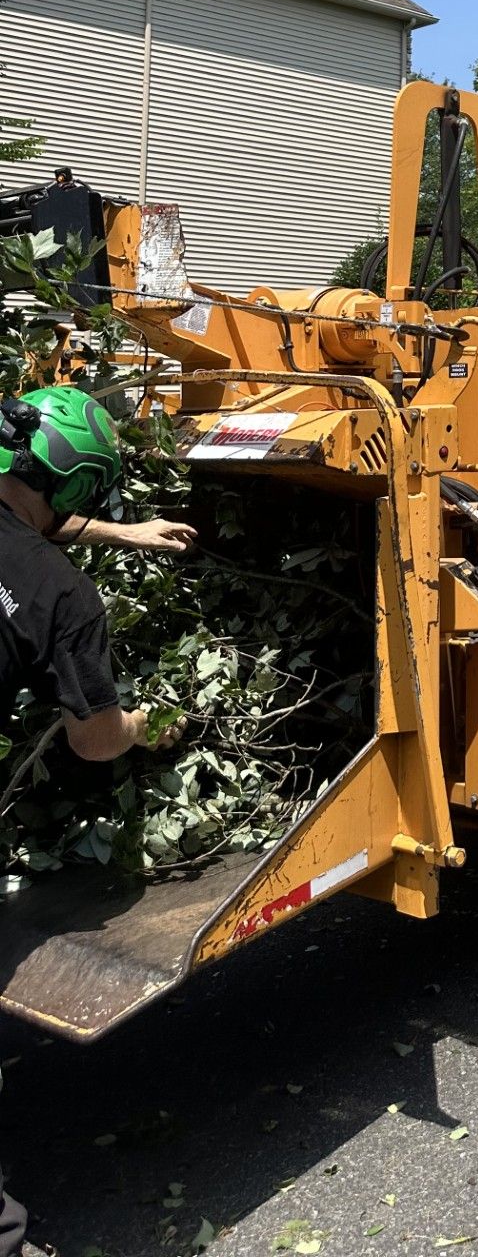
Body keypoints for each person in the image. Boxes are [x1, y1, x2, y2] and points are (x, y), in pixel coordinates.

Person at [0, 386, 195, 1257]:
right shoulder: (62, 598)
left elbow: (25, 526)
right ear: (74, 489)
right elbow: (90, 741)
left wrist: (126, 535)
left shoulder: (37, 551)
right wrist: (149, 725)